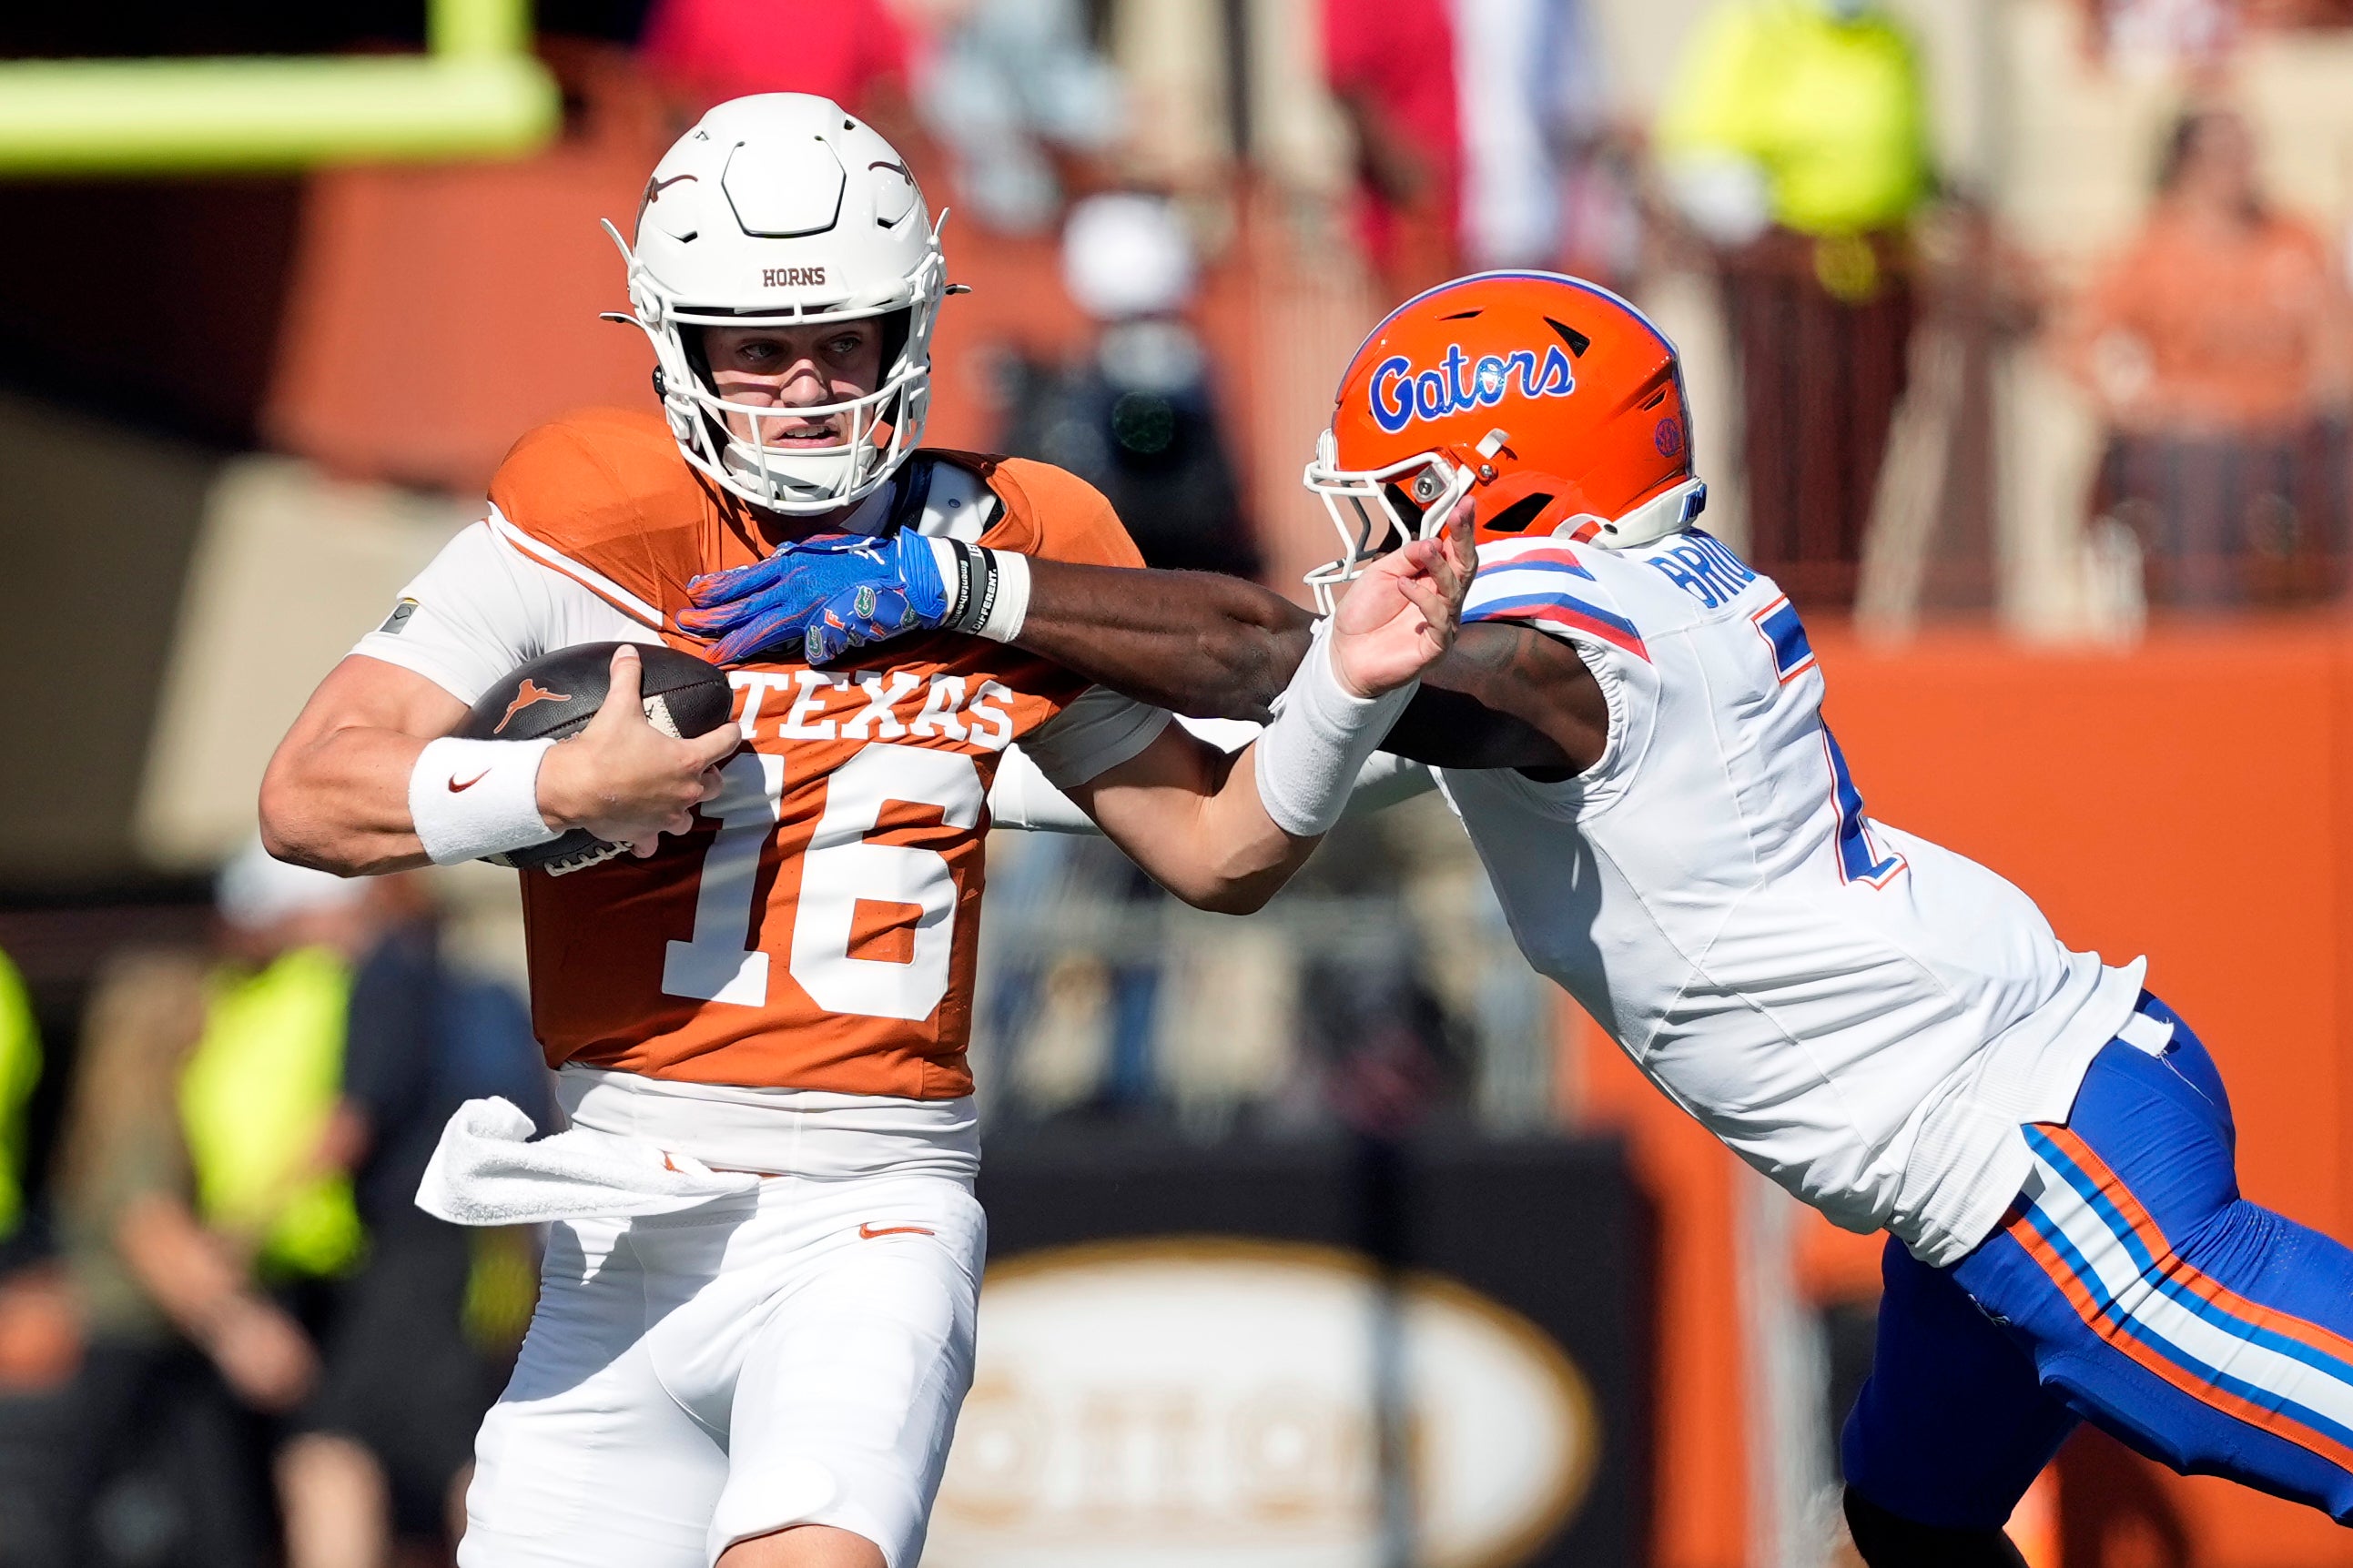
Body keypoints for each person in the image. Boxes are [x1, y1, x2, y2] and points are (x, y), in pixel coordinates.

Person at [728, 268, 2353, 1563]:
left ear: (1495, 485)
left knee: (2246, 1401)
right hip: (2022, 1124)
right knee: (1904, 1531)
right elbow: (1262, 741)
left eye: (1398, 498)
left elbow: (1270, 659)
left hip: (2039, 1156)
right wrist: (903, 761)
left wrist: (967, 587)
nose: (1366, 537)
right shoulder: (1616, 621)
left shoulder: (1572, 636)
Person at [257, 92, 1470, 1568]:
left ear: (911, 327)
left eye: (842, 338)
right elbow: (311, 790)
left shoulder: (1004, 542)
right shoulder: (594, 511)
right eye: (758, 346)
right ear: (674, 344)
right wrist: (554, 789)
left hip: (862, 1214)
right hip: (612, 1229)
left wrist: (1345, 692)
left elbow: (1217, 849)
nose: (807, 385)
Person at [2062, 105, 2352, 606]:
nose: (2242, 168)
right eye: (2225, 155)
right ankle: (2209, 642)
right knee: (2200, 469)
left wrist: (2319, 396)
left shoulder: (2294, 237)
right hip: (2195, 438)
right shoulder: (2151, 249)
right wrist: (2155, 404)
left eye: (2248, 153)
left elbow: (2337, 346)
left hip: (2290, 432)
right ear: (2185, 165)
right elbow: (2079, 349)